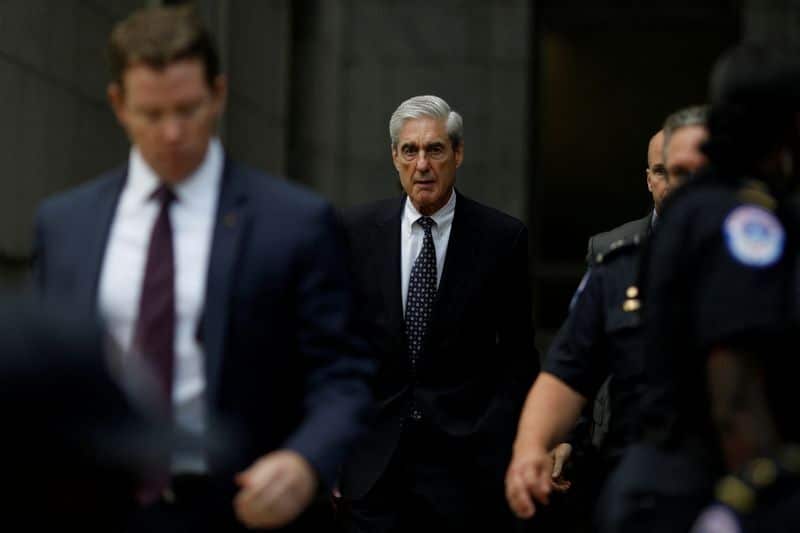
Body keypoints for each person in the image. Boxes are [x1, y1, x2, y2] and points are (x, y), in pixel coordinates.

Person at [32, 5, 374, 532]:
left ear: (218, 93)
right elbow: (42, 373)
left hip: (241, 508)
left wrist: (304, 462)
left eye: (188, 109)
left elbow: (344, 376)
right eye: (152, 114)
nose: (173, 132)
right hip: (96, 506)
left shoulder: (296, 223)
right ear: (119, 104)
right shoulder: (65, 225)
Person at [601, 43, 800, 533]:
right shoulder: (743, 221)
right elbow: (735, 388)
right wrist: (764, 495)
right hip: (703, 492)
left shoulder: (695, 208)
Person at [337, 95, 539, 531]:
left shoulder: (501, 239)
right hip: (371, 467)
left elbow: (518, 356)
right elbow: (338, 348)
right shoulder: (355, 232)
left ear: (458, 154)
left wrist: (502, 443)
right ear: (395, 157)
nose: (422, 165)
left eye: (435, 150)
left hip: (465, 470)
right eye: (410, 151)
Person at [506, 106, 709, 524]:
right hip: (634, 477)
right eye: (672, 172)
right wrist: (531, 448)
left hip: (725, 479)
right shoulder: (617, 266)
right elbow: (567, 370)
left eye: (698, 173)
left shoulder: (762, 260)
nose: (681, 186)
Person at [585, 130, 666, 263]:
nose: (671, 181)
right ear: (649, 181)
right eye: (661, 171)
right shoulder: (606, 249)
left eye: (681, 172)